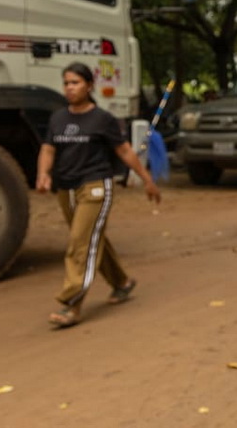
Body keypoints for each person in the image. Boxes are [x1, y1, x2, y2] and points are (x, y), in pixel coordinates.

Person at [36, 62, 162, 329]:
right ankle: (122, 282)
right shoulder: (58, 118)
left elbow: (125, 151)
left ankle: (71, 303)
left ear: (89, 86)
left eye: (76, 83)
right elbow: (48, 149)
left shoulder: (102, 119)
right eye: (67, 83)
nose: (70, 88)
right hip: (66, 188)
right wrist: (43, 174)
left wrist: (147, 180)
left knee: (79, 243)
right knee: (92, 238)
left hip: (95, 186)